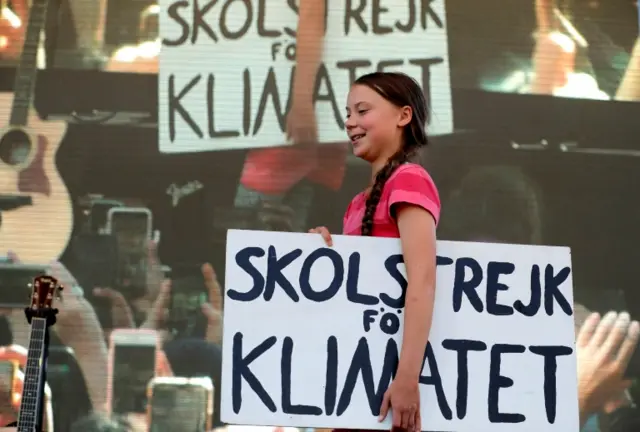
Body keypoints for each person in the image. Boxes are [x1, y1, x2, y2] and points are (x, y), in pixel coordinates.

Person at [310, 72, 440, 432]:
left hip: (389, 390)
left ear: (403, 115)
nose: (350, 122)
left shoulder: (409, 179)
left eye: (362, 110)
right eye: (347, 113)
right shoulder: (356, 203)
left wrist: (407, 379)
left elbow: (423, 282)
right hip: (361, 391)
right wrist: (320, 255)